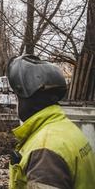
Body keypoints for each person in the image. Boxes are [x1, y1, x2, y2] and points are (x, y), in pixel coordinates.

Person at [7, 55, 95, 188]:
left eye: (17, 97)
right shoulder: (65, 127)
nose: (15, 104)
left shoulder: (44, 151)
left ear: (27, 100)